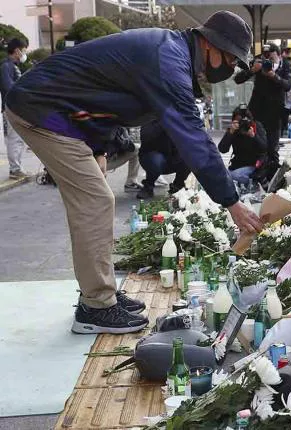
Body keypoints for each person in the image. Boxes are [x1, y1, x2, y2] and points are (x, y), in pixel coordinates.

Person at [5, 11, 264, 334]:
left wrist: (98, 148)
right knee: (95, 200)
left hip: (58, 111)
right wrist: (231, 202)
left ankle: (101, 295)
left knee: (94, 200)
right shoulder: (168, 61)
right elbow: (194, 137)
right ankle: (96, 307)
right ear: (210, 45)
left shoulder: (172, 53)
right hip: (41, 110)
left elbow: (103, 96)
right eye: (230, 59)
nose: (230, 69)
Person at [234, 42, 291, 181]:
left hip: (275, 113)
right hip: (257, 112)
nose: (268, 60)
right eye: (266, 56)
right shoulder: (258, 63)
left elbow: (287, 85)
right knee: (257, 145)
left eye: (271, 57)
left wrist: (274, 76)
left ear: (278, 55)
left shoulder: (285, 65)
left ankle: (272, 181)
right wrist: (253, 70)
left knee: (273, 149)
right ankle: (256, 178)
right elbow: (238, 79)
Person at [137, 120, 191, 199]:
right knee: (156, 161)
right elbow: (146, 136)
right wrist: (165, 124)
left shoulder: (180, 116)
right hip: (152, 154)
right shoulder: (151, 116)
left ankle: (178, 185)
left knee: (190, 156)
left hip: (174, 155)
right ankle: (148, 185)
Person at [218, 105, 268, 186]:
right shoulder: (234, 130)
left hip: (253, 166)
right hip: (237, 166)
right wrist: (230, 132)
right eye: (239, 121)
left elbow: (264, 148)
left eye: (245, 121)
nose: (242, 124)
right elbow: (222, 149)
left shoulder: (256, 126)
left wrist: (253, 136)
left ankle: (254, 183)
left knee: (232, 176)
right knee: (222, 176)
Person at [1, 38, 29, 179]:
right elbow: (8, 87)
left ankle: (17, 167)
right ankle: (14, 169)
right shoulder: (6, 66)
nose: (25, 53)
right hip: (10, 108)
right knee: (13, 139)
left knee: (19, 139)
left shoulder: (14, 66)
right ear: (17, 50)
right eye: (24, 50)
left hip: (18, 109)